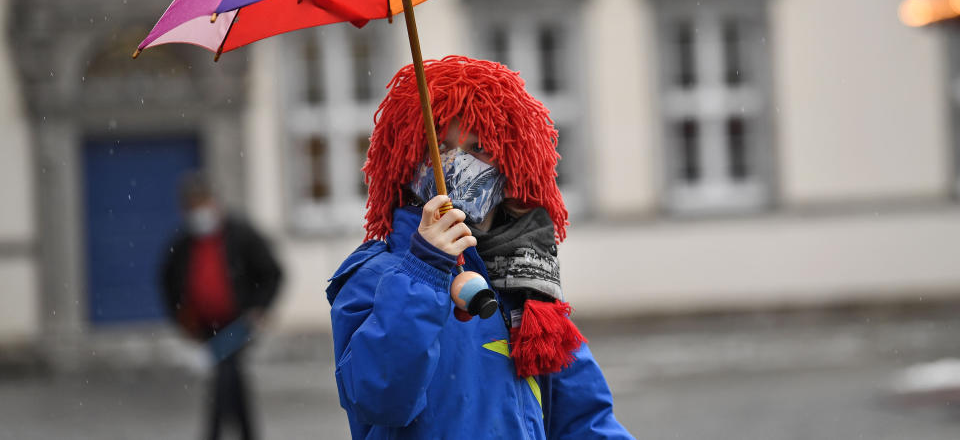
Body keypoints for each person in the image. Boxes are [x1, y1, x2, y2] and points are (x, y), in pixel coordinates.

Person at [327, 56, 633, 439]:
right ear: (406, 160)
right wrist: (424, 272)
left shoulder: (526, 277)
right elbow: (381, 397)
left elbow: (582, 422)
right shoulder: (374, 276)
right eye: (439, 147)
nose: (458, 164)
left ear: (513, 161)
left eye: (480, 147)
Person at [161, 172, 284, 440]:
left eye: (202, 204)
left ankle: (214, 433)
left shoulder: (240, 235)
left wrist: (260, 308)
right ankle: (246, 432)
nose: (199, 213)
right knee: (231, 380)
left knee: (225, 375)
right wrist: (182, 318)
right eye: (193, 207)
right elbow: (168, 283)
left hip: (238, 323)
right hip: (204, 326)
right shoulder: (183, 245)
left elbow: (272, 272)